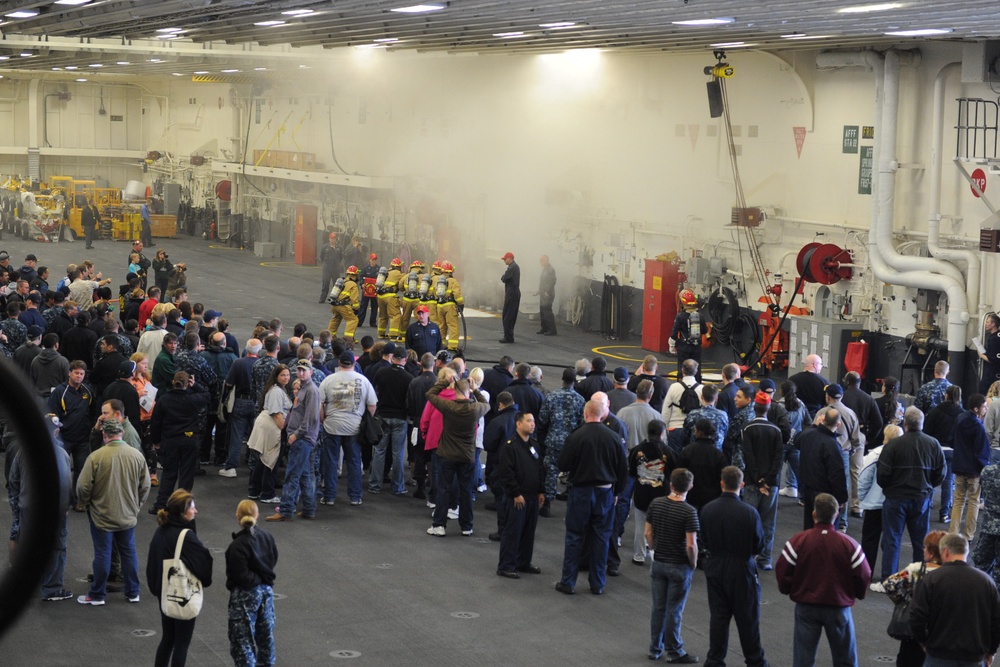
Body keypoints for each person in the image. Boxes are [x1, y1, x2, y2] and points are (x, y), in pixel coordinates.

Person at [776, 493, 871, 667]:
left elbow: (783, 570)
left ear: (814, 514)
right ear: (837, 514)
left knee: (803, 660)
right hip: (838, 607)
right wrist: (854, 594)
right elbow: (864, 574)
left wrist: (789, 589)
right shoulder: (849, 544)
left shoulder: (798, 541)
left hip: (806, 607)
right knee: (846, 660)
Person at [555, 399, 628, 595]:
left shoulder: (576, 436)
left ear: (586, 414)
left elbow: (562, 464)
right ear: (602, 414)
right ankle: (597, 583)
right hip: (605, 493)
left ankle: (568, 582)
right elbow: (623, 469)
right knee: (601, 538)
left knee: (574, 536)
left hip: (581, 492)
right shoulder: (613, 438)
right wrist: (617, 492)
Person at [76, 418, 150, 606]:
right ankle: (133, 592)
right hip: (127, 515)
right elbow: (145, 485)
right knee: (129, 552)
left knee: (103, 553)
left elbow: (83, 487)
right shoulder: (137, 456)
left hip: (102, 516)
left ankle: (98, 595)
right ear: (122, 433)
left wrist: (84, 503)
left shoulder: (96, 457)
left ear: (104, 435)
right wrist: (137, 505)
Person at [701, 466, 767, 667]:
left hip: (715, 566)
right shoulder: (749, 512)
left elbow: (703, 540)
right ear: (742, 485)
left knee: (719, 617)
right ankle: (755, 661)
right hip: (742, 567)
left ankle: (715, 660)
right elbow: (759, 545)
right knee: (747, 618)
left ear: (722, 483)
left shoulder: (707, 509)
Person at [877, 406, 946, 584]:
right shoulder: (933, 444)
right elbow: (941, 473)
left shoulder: (892, 445)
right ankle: (920, 578)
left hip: (895, 498)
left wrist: (889, 487)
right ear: (922, 423)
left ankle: (888, 578)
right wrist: (929, 486)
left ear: (905, 423)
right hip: (921, 498)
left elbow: (882, 475)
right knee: (920, 541)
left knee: (892, 539)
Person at [910, 532, 1000, 667]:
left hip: (939, 655)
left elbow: (917, 617)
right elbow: (996, 622)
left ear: (945, 552)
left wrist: (924, 643)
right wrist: (991, 651)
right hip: (974, 658)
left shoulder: (932, 579)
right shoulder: (986, 581)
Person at [146, 490, 213, 667]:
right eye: (192, 507)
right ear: (183, 512)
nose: (196, 511)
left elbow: (151, 562)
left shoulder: (161, 530)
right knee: (182, 643)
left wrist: (156, 589)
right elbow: (203, 562)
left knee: (167, 638)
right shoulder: (186, 536)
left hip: (164, 592)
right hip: (183, 595)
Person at [425, 368, 490, 536]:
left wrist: (445, 381)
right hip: (467, 455)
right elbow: (487, 404)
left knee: (444, 490)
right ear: (469, 392)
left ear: (454, 391)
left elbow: (431, 394)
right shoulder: (476, 409)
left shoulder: (449, 406)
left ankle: (439, 525)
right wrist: (476, 389)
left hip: (446, 454)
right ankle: (466, 526)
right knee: (466, 491)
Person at [645, 468, 700, 663]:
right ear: (690, 487)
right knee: (674, 610)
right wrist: (693, 563)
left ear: (671, 484)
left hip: (659, 562)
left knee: (658, 608)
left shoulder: (656, 504)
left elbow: (648, 534)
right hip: (679, 566)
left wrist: (654, 550)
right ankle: (674, 651)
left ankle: (655, 648)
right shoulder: (689, 512)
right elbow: (691, 544)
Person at [878, 530, 946, 667]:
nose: (923, 549)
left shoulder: (916, 569)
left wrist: (906, 601)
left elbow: (889, 585)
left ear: (932, 552)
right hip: (940, 632)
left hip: (914, 631)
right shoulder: (950, 573)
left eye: (925, 547)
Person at [319, 351, 377, 506]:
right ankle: (355, 496)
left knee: (331, 461)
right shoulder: (363, 380)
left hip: (332, 426)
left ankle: (329, 496)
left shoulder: (329, 380)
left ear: (339, 364)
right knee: (354, 461)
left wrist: (324, 420)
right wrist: (364, 419)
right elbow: (372, 405)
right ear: (353, 364)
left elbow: (320, 404)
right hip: (354, 427)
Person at [149, 370, 211, 513]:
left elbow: (156, 422)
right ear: (187, 384)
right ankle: (183, 505)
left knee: (169, 473)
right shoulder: (193, 398)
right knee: (186, 474)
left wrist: (156, 441)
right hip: (190, 440)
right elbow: (207, 396)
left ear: (173, 382)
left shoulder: (164, 399)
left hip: (170, 440)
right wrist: (195, 385)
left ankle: (161, 504)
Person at [267, 360, 321, 521]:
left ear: (310, 372)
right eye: (299, 370)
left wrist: (295, 434)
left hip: (303, 439)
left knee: (292, 475)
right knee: (305, 474)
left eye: (304, 370)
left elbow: (310, 418)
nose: (301, 373)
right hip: (304, 438)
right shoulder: (305, 389)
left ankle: (286, 510)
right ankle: (309, 509)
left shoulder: (311, 390)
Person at [227, 500, 279, 667]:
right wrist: (263, 579)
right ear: (257, 515)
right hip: (266, 592)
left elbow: (239, 574)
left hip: (245, 596)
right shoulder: (267, 537)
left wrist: (255, 581)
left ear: (237, 516)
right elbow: (273, 559)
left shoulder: (237, 546)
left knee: (243, 642)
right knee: (266, 639)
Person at [495, 411, 545, 578]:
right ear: (518, 424)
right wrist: (515, 493)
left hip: (532, 496)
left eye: (533, 421)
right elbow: (506, 473)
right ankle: (506, 565)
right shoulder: (510, 446)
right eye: (529, 421)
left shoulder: (534, 445)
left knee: (528, 532)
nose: (533, 424)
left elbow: (539, 469)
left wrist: (541, 490)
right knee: (513, 532)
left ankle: (523, 562)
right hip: (517, 497)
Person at [742, 390, 785, 570]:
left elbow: (748, 456)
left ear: (755, 407)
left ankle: (748, 556)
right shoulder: (776, 431)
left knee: (750, 520)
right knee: (768, 521)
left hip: (752, 482)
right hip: (772, 484)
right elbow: (778, 458)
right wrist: (768, 479)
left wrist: (758, 479)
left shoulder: (747, 428)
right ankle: (765, 558)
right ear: (768, 408)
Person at [537, 367, 584, 516]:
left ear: (562, 379)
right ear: (574, 380)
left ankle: (547, 503)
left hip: (553, 440)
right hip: (572, 442)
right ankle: (571, 500)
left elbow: (542, 419)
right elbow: (582, 423)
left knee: (551, 470)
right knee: (573, 471)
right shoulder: (580, 399)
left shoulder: (552, 396)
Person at [48, 360, 95, 509]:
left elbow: (93, 411)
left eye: (82, 374)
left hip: (83, 439)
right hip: (64, 439)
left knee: (81, 471)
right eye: (76, 373)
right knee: (63, 471)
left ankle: (78, 501)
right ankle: (61, 500)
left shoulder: (88, 391)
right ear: (69, 373)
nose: (79, 376)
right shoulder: (59, 392)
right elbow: (51, 412)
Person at [859, 424, 901, 582]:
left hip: (874, 504)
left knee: (870, 539)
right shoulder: (903, 455)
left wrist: (862, 498)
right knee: (892, 541)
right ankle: (890, 573)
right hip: (895, 503)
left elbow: (864, 477)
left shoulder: (876, 454)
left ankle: (866, 572)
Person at [628, 420, 673, 565]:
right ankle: (657, 555)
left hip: (641, 491)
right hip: (661, 494)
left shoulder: (637, 450)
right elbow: (672, 472)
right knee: (659, 525)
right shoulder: (668, 452)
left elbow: (632, 471)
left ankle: (638, 555)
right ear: (662, 433)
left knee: (640, 524)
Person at [794, 409, 848, 530]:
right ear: (838, 424)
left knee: (809, 527)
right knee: (826, 528)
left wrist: (813, 426)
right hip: (825, 495)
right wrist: (842, 498)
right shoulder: (833, 445)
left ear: (823, 420)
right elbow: (837, 474)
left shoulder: (809, 434)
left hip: (807, 489)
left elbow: (796, 441)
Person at [369, 345, 412, 495]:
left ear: (393, 358)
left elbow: (373, 392)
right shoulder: (408, 378)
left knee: (380, 451)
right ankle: (397, 486)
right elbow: (409, 401)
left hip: (382, 416)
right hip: (400, 418)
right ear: (405, 360)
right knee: (398, 453)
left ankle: (375, 484)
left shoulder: (381, 372)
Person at [247, 364, 292, 505]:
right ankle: (267, 494)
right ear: (276, 376)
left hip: (267, 426)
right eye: (283, 375)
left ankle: (254, 490)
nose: (286, 378)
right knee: (270, 462)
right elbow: (277, 414)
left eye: (287, 375)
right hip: (272, 428)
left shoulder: (277, 390)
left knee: (263, 461)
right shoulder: (276, 392)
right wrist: (284, 429)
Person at [950, 393, 991, 540]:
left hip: (959, 467)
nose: (986, 409)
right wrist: (983, 468)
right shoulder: (979, 428)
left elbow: (951, 438)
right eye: (984, 406)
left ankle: (953, 533)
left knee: (958, 500)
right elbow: (982, 452)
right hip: (974, 471)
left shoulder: (960, 419)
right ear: (976, 409)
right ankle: (968, 534)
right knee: (973, 501)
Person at [925, 384, 963, 524]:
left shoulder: (936, 411)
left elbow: (927, 431)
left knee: (930, 480)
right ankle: (944, 514)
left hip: (936, 450)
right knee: (948, 482)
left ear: (946, 395)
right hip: (952, 452)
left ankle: (926, 508)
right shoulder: (962, 413)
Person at [671, 290, 702, 379]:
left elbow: (674, 333)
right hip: (697, 347)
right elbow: (704, 330)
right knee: (697, 368)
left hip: (684, 347)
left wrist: (675, 344)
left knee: (682, 367)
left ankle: (681, 385)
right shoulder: (700, 316)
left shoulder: (680, 316)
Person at [328, 265, 361, 342]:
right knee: (353, 320)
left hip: (334, 305)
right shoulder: (353, 284)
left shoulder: (342, 281)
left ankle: (330, 337)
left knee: (336, 318)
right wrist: (356, 308)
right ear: (355, 275)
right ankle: (348, 339)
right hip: (343, 306)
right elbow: (354, 299)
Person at [499, 251, 520, 344]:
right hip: (513, 293)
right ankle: (508, 336)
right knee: (509, 316)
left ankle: (508, 337)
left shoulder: (512, 267)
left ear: (510, 258)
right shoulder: (513, 267)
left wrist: (503, 276)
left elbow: (504, 278)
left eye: (505, 259)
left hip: (512, 294)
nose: (504, 261)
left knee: (507, 316)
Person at [319, 232, 342, 303]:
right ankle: (322, 299)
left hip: (336, 269)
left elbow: (340, 257)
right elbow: (321, 257)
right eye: (331, 238)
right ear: (329, 239)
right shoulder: (325, 247)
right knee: (326, 283)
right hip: (327, 269)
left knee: (336, 285)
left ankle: (335, 299)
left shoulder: (339, 248)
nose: (333, 240)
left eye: (334, 238)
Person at [537, 255, 557, 336]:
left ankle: (552, 329)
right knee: (542, 310)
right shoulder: (544, 269)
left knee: (547, 311)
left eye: (542, 260)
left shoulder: (550, 270)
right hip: (543, 293)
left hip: (548, 293)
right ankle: (544, 328)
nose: (540, 262)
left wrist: (547, 291)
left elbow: (552, 282)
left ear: (546, 260)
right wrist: (539, 290)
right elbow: (542, 281)